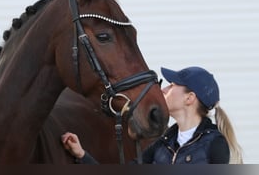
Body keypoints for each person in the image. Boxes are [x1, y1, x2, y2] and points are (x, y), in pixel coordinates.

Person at [61, 66, 243, 164]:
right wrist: (82, 154)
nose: (163, 89)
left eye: (171, 86)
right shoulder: (162, 143)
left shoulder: (215, 144)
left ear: (190, 98)